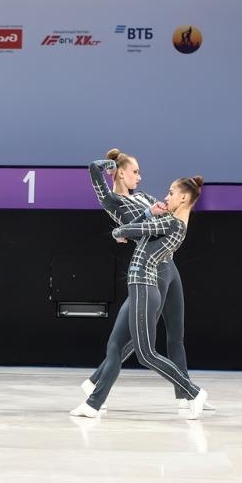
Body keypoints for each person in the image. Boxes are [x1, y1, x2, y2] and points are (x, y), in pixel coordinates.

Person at [71, 177, 209, 419]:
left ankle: (193, 392)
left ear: (183, 198)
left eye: (171, 193)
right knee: (115, 345)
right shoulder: (170, 221)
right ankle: (93, 403)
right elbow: (138, 229)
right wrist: (138, 220)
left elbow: (134, 230)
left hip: (145, 287)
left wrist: (119, 231)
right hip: (138, 286)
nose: (166, 197)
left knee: (146, 354)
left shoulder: (173, 224)